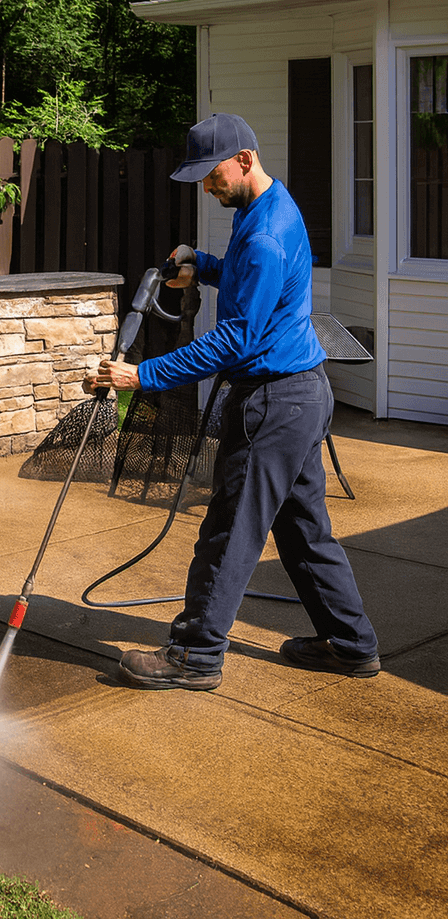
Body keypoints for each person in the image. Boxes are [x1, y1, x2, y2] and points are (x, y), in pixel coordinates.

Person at [86, 112, 379, 690]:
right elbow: (251, 283)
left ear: (244, 159)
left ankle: (194, 656)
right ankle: (350, 644)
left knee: (228, 530)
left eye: (211, 174)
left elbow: (236, 337)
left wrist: (142, 374)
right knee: (303, 530)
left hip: (273, 404)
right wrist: (204, 267)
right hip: (301, 395)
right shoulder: (264, 210)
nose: (206, 186)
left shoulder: (267, 233)